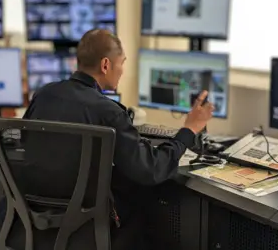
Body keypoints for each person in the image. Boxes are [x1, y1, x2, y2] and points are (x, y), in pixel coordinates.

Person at [22, 29, 214, 248]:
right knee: (144, 197)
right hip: (84, 226)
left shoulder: (43, 95)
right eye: (121, 63)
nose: (122, 70)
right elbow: (149, 169)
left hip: (32, 220)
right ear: (106, 65)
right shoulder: (108, 111)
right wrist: (189, 130)